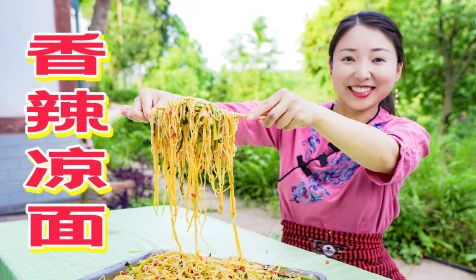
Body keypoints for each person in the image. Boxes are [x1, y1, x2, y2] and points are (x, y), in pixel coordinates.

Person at [121, 10, 430, 280]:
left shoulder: (404, 131)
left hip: (362, 268)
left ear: (398, 69)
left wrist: (317, 115)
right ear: (331, 65)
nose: (362, 72)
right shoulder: (293, 119)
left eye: (378, 59)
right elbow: (223, 116)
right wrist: (168, 102)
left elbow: (385, 157)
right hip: (290, 262)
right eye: (348, 58)